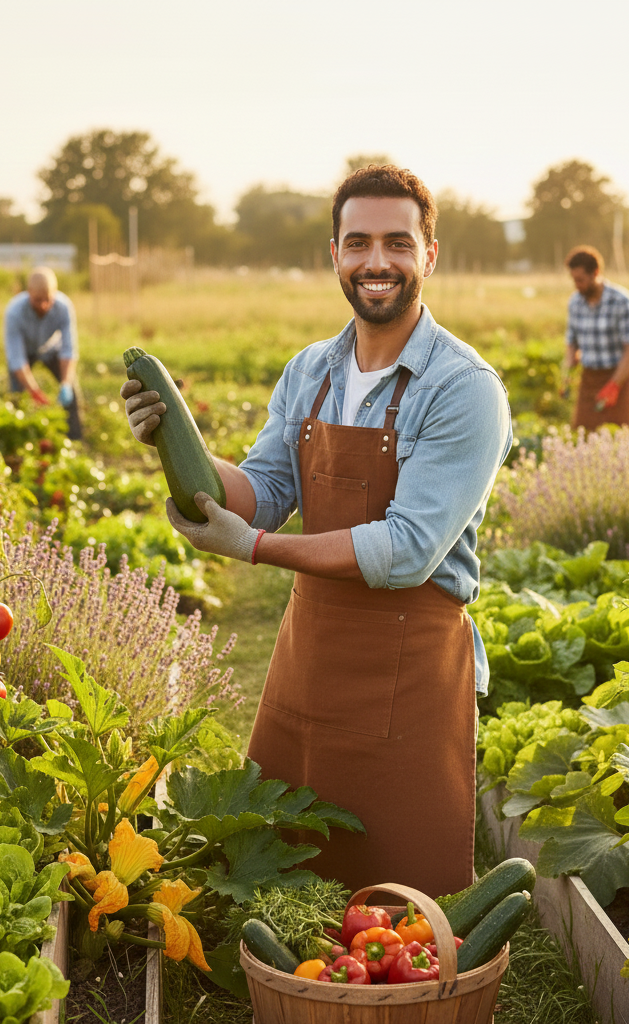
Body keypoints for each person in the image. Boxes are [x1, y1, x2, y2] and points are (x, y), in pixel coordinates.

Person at [121, 166, 512, 897]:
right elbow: (263, 493)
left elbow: (406, 549)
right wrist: (174, 442)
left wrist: (254, 549)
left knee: (399, 899)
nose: (376, 261)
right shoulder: (311, 372)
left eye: (398, 243)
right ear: (334, 253)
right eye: (357, 242)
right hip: (312, 649)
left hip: (410, 659)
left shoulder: (463, 388)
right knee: (289, 874)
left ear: (429, 254)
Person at [560, 245, 629, 430]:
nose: (577, 285)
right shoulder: (575, 302)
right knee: (583, 433)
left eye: (580, 280)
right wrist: (567, 375)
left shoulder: (622, 301)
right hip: (588, 377)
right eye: (574, 280)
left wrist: (614, 385)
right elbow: (572, 343)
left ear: (595, 273)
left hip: (617, 376)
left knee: (619, 434)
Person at [4, 266, 83, 439]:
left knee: (71, 390)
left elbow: (68, 350)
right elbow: (17, 359)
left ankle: (74, 439)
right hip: (25, 352)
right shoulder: (14, 312)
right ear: (29, 292)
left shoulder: (64, 307)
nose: (43, 305)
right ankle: (20, 437)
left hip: (51, 349)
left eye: (47, 299)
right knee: (17, 394)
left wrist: (65, 384)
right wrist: (35, 392)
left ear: (55, 293)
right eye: (37, 300)